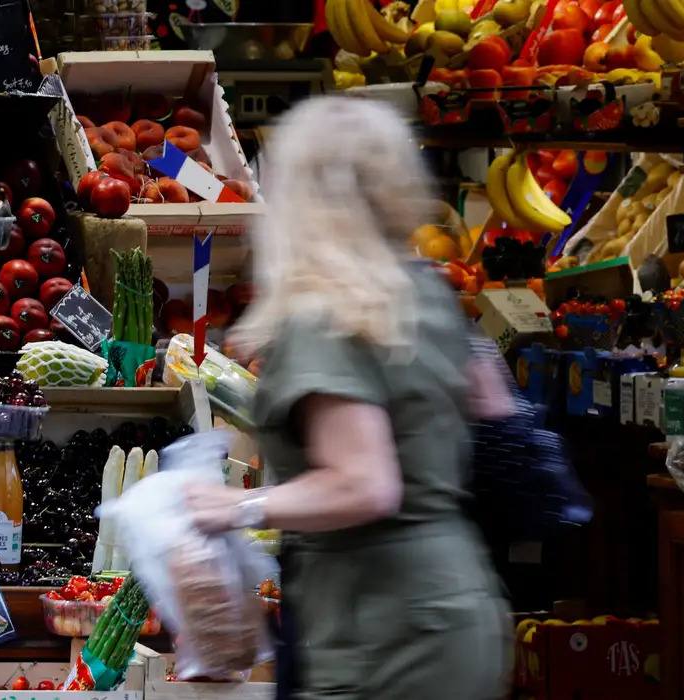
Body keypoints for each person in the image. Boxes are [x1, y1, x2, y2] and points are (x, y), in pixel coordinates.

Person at [183, 98, 511, 700]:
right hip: (459, 604)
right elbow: (491, 409)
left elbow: (365, 484)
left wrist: (238, 508)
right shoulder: (425, 292)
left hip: (382, 628)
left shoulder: (329, 314)